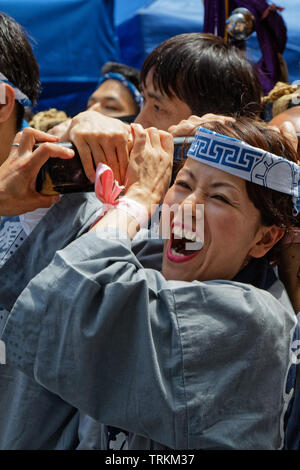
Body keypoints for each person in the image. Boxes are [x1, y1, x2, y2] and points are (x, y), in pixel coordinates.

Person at [1, 117, 299, 450]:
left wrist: (139, 198)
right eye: (183, 184)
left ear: (265, 238)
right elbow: (57, 258)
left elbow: (68, 297)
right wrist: (72, 141)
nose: (186, 208)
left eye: (219, 198)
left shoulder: (255, 320)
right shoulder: (146, 255)